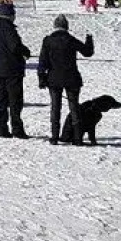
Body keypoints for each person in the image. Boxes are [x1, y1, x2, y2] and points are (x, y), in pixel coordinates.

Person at [37, 14, 95, 144]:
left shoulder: (48, 41)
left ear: (55, 26)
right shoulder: (71, 40)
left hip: (54, 79)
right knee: (74, 108)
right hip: (72, 78)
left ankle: (54, 137)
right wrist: (89, 39)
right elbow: (88, 52)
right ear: (66, 27)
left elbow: (42, 61)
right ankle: (77, 138)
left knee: (55, 108)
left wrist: (41, 77)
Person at [0, 3, 31, 138]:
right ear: (11, 16)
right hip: (13, 69)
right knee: (15, 100)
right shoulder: (9, 29)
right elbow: (15, 46)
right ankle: (17, 129)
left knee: (1, 98)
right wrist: (25, 52)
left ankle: (1, 128)